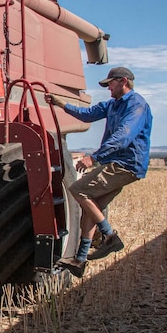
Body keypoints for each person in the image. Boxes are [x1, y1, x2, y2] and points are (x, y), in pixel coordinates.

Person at [48, 66, 153, 278]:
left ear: (123, 81)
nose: (108, 88)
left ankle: (109, 236)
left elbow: (123, 136)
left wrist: (93, 157)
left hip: (125, 164)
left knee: (79, 190)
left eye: (110, 84)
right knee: (92, 206)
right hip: (118, 162)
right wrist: (62, 104)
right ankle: (80, 259)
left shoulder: (136, 105)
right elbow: (87, 115)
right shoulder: (113, 105)